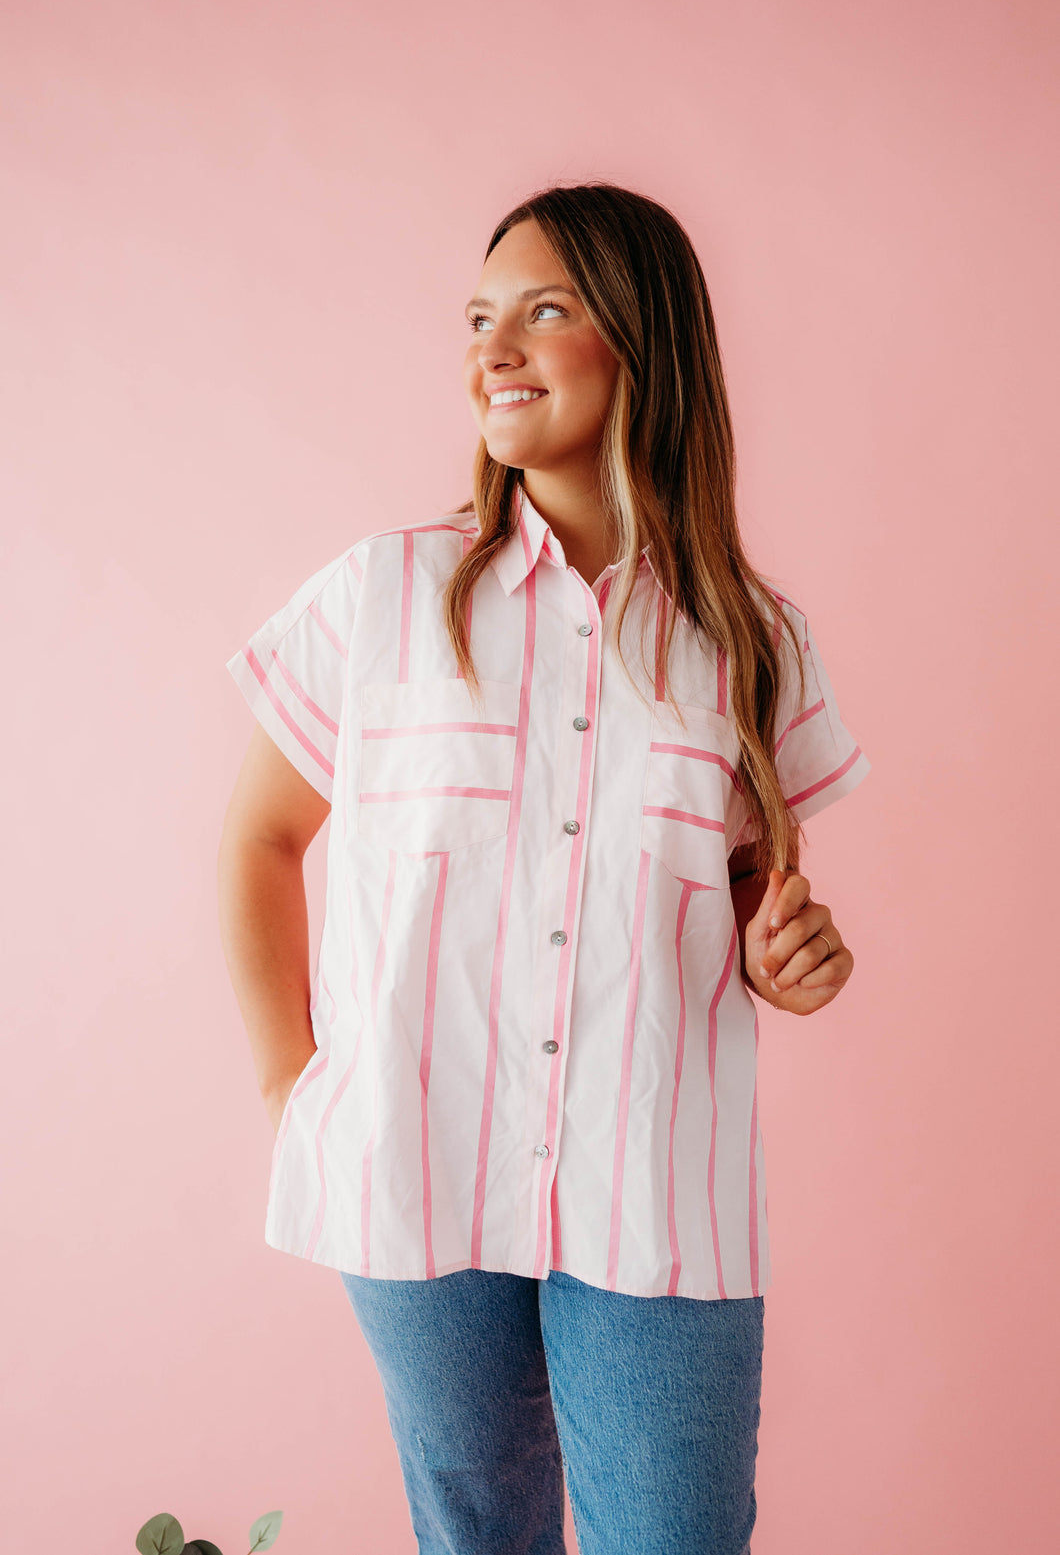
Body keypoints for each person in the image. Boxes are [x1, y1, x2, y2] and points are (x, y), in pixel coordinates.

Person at [217, 181, 871, 1555]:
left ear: (647, 343)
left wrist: (791, 952)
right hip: (416, 1170)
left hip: (657, 1186)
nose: (492, 349)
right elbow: (262, 837)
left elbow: (763, 897)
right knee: (479, 1535)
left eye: (545, 310)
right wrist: (296, 1083)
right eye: (478, 317)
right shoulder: (383, 598)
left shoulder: (752, 640)